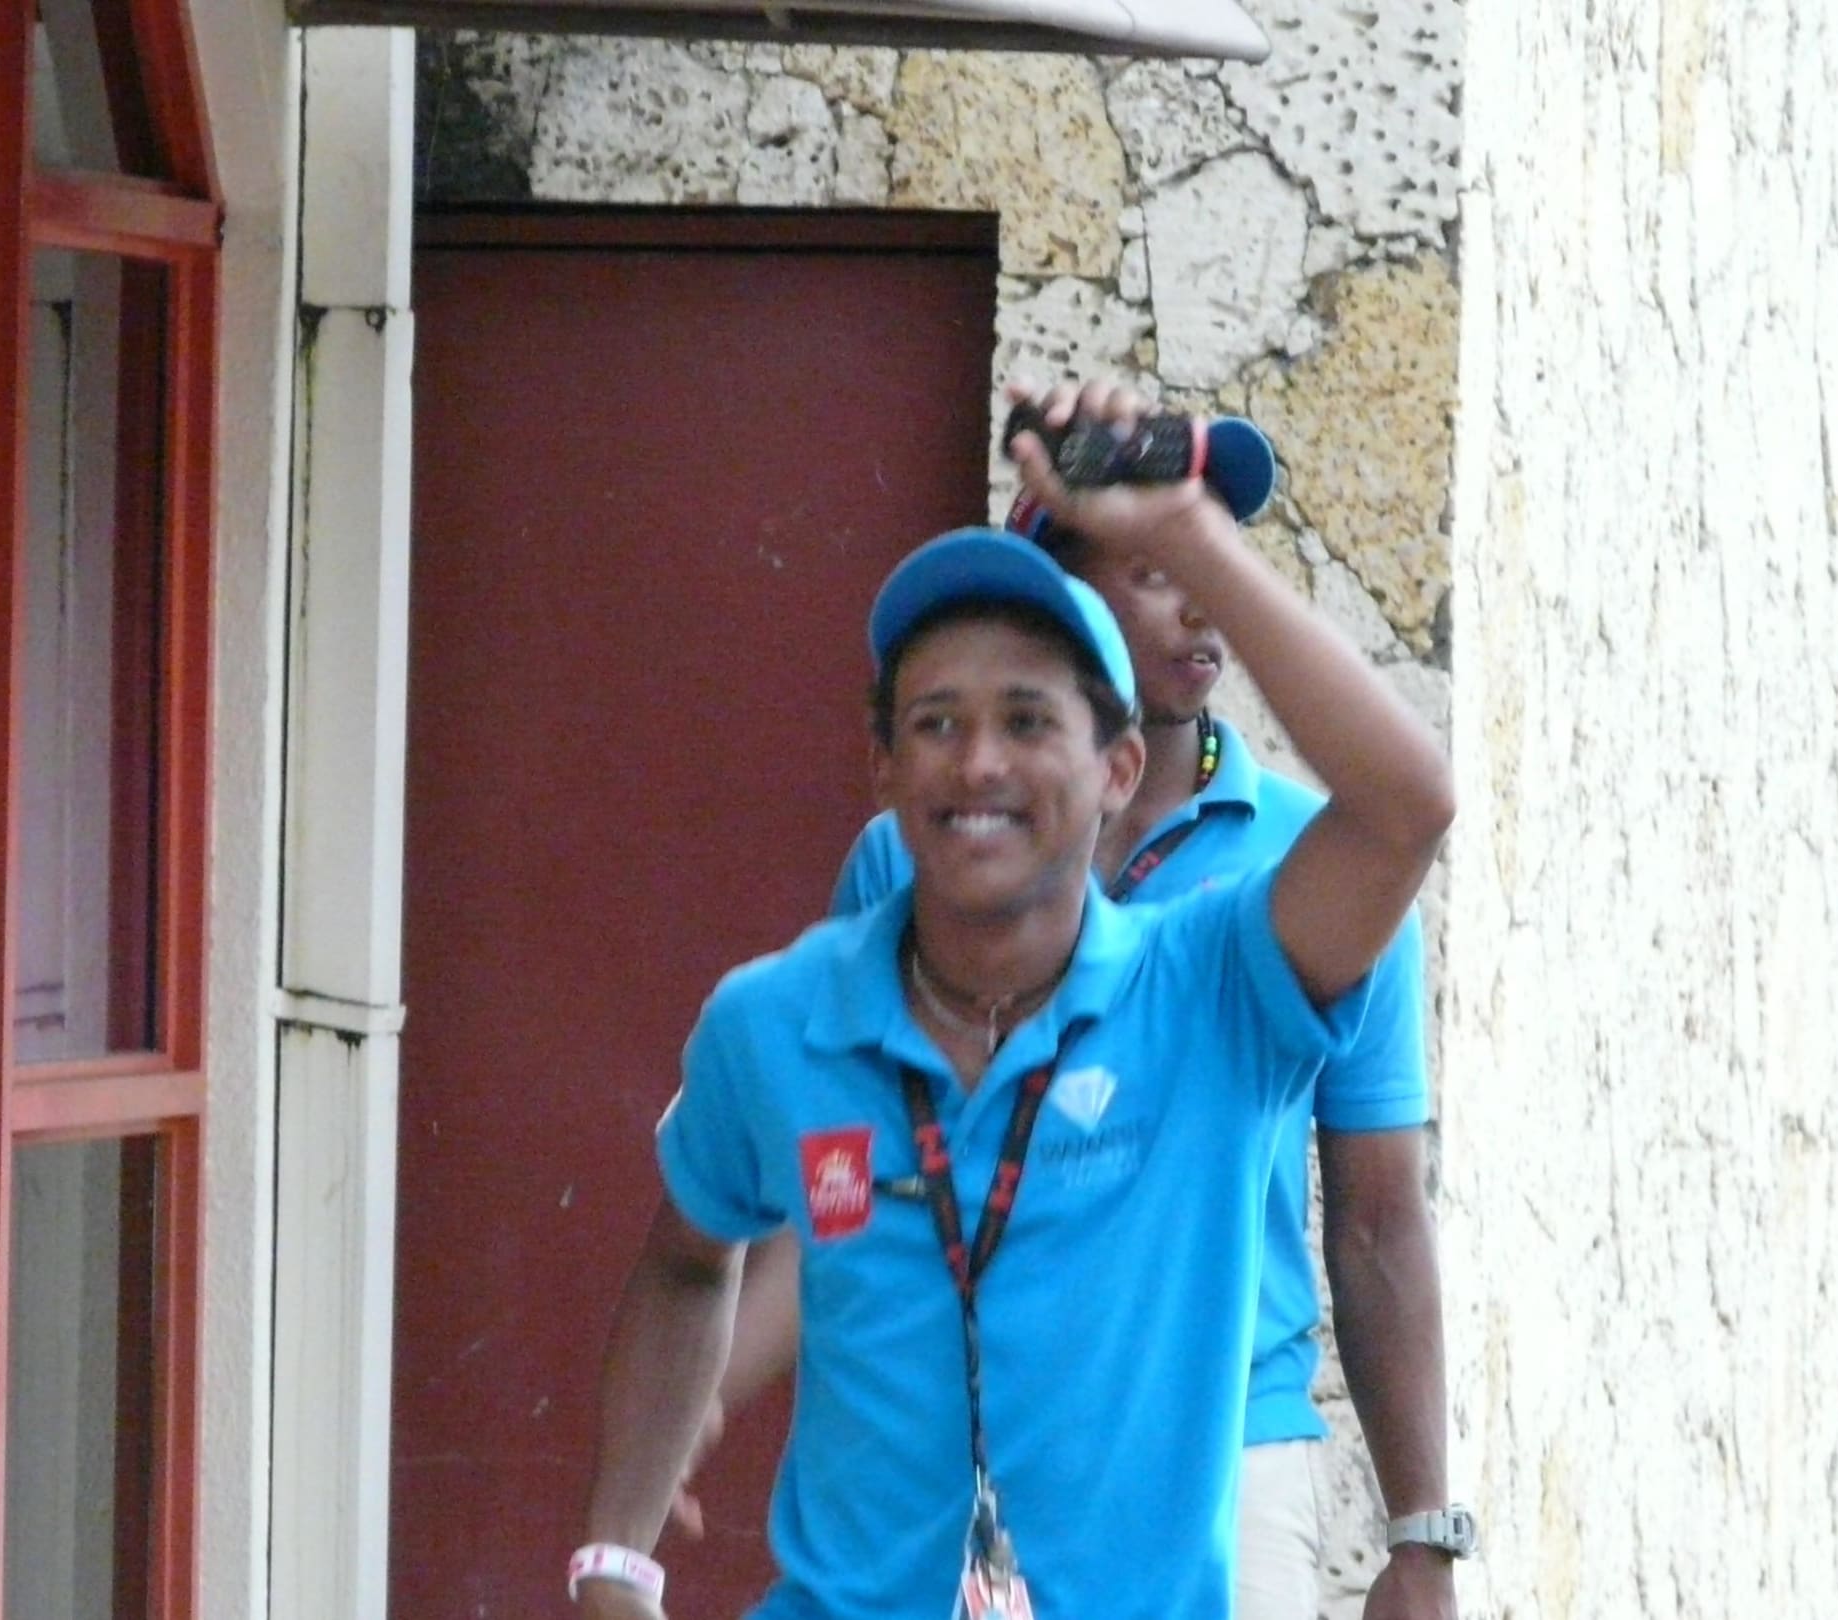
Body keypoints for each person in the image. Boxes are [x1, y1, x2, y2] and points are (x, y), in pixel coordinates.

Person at [568, 380, 1456, 1620]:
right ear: (883, 767)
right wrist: (624, 1538)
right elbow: (777, 1220)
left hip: (1215, 1452)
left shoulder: (1222, 974)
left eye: (1027, 720)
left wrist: (1423, 1531)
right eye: (938, 722)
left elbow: (1408, 813)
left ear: (1113, 763)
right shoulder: (785, 1004)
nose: (979, 761)